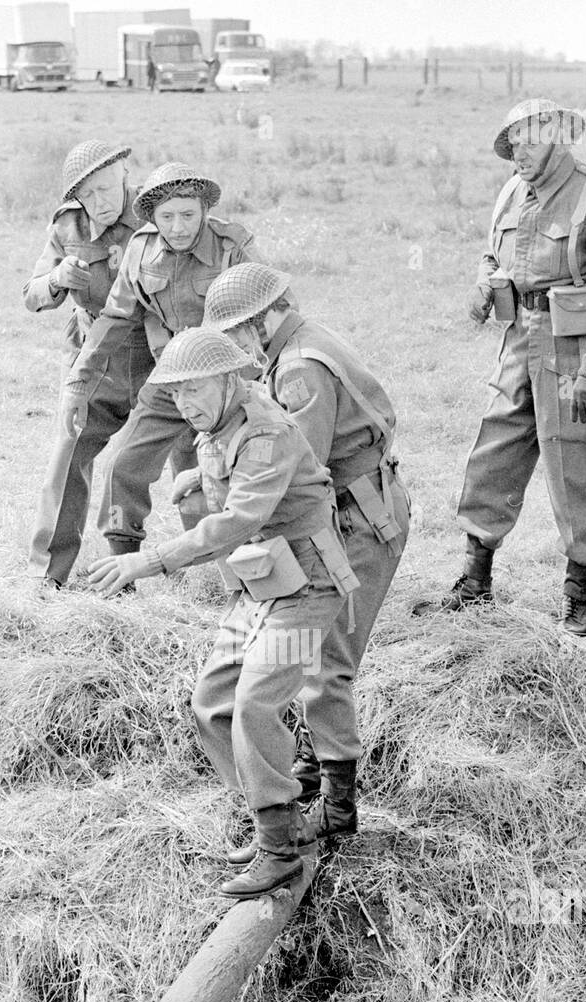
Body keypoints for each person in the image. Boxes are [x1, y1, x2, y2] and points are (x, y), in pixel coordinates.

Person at [87, 329, 359, 900]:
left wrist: (149, 561)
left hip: (307, 587)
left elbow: (236, 521)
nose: (187, 406)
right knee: (212, 701)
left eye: (197, 391)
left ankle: (281, 851)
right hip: (263, 583)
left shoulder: (265, 433)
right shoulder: (220, 422)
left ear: (230, 380)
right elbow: (223, 474)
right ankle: (279, 819)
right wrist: (195, 478)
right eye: (177, 395)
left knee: (256, 701)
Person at [419, 98, 586, 636]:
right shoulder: (511, 191)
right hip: (518, 344)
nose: (519, 152)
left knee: (573, 466)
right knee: (493, 453)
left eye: (530, 140)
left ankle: (578, 597)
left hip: (575, 352)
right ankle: (474, 584)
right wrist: (486, 282)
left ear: (556, 137)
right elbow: (493, 255)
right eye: (513, 142)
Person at [201, 263, 411, 848]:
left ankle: (339, 813)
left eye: (243, 331)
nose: (240, 347)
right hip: (346, 510)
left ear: (270, 314)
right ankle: (314, 776)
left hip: (358, 520)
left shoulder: (299, 370)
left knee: (327, 664)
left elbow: (298, 469)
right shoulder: (295, 344)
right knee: (309, 656)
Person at [61, 163, 259, 560]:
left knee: (237, 472)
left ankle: (243, 566)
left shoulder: (232, 246)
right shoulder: (141, 248)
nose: (179, 227)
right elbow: (116, 317)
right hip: (172, 378)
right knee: (123, 465)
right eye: (167, 217)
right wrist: (79, 380)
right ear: (151, 217)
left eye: (188, 214)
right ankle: (121, 567)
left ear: (205, 210)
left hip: (231, 383)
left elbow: (269, 308)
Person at [23, 140, 154, 588]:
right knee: (69, 457)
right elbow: (32, 293)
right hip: (92, 362)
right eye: (87, 195)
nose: (98, 204)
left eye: (105, 189)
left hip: (156, 352)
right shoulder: (68, 226)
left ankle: (217, 572)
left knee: (191, 462)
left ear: (124, 172)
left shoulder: (159, 211)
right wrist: (58, 279)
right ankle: (49, 577)